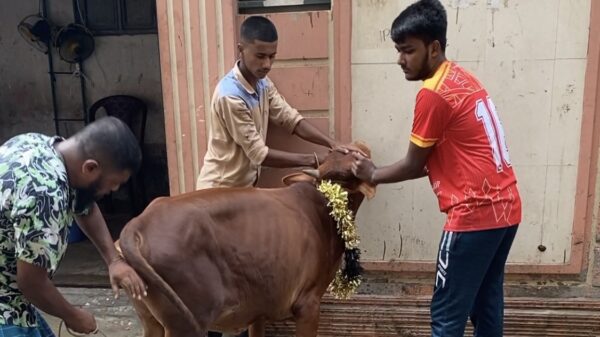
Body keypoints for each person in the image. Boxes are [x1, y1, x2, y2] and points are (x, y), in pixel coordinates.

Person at [350, 1, 521, 336]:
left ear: (434, 47)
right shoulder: (462, 77)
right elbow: (433, 162)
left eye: (408, 51)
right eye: (398, 50)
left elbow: (415, 163)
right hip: (507, 211)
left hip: (473, 216)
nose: (401, 60)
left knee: (446, 316)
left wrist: (370, 174)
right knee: (487, 307)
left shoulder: (433, 94)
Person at [0, 116, 147, 336]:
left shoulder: (36, 143)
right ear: (90, 168)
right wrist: (74, 316)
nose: (115, 189)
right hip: (6, 307)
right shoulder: (45, 193)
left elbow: (84, 203)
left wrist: (114, 260)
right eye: (113, 182)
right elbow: (31, 282)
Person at [196, 15, 344, 190]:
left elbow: (289, 119)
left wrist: (333, 144)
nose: (267, 64)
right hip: (218, 191)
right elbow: (259, 154)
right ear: (241, 49)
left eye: (272, 56)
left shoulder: (263, 83)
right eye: (260, 56)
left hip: (243, 190)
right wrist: (316, 160)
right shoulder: (230, 96)